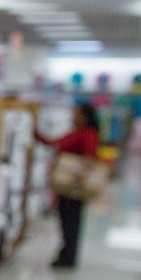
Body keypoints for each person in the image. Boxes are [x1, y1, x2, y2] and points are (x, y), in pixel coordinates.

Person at [36, 102, 101, 269]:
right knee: (66, 219)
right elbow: (53, 143)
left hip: (73, 185)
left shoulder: (89, 134)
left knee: (71, 221)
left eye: (77, 113)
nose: (73, 115)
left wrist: (79, 176)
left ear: (85, 117)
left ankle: (68, 257)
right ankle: (65, 254)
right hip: (66, 185)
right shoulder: (76, 132)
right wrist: (35, 132)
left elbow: (90, 157)